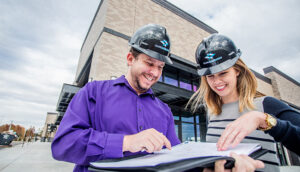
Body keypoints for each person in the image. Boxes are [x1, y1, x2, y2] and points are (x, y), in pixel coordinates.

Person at [51, 24, 181, 172]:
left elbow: (176, 157)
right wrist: (126, 142)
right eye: (149, 63)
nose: (155, 73)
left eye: (160, 66)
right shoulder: (93, 92)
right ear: (130, 59)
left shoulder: (164, 110)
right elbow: (63, 144)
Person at [187, 33, 300, 172]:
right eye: (210, 76)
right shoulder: (212, 112)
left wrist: (262, 119)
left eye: (223, 73)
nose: (217, 82)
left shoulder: (266, 104)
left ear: (237, 71)